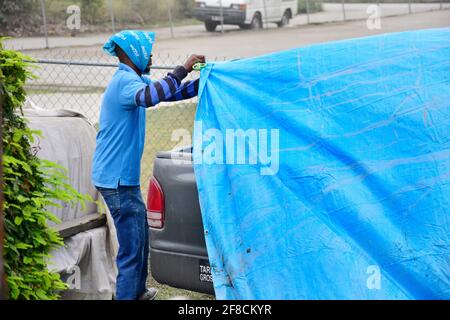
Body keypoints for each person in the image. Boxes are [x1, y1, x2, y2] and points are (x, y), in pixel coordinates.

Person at [92, 30, 205, 300]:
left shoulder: (133, 79)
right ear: (135, 54)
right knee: (132, 248)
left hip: (120, 178)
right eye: (148, 50)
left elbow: (169, 93)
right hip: (116, 180)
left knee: (140, 237)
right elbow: (151, 97)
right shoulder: (124, 83)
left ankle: (138, 292)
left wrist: (204, 82)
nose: (152, 55)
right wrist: (183, 68)